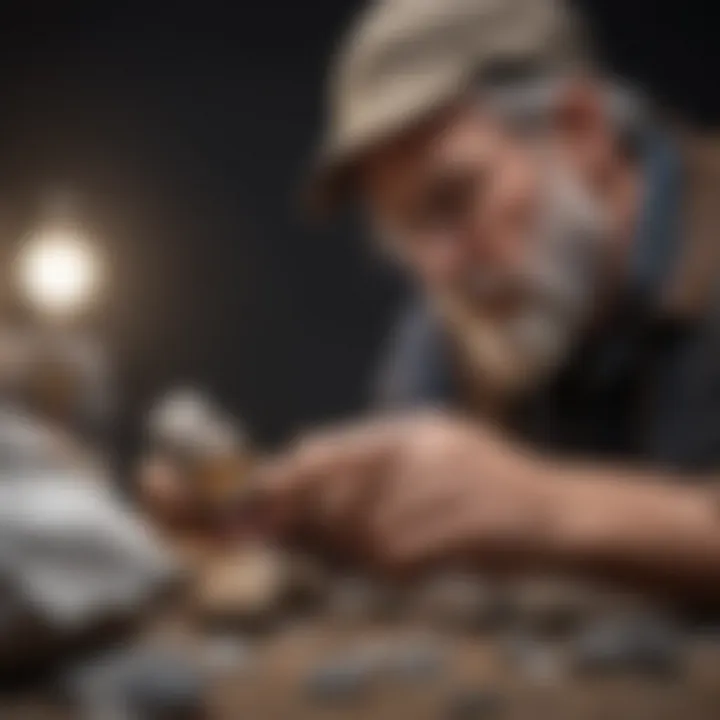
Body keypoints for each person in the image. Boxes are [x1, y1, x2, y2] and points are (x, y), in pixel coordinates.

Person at [252, 0, 720, 601]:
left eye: (454, 199)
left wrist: (548, 508)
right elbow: (406, 519)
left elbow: (526, 509)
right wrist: (280, 512)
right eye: (402, 232)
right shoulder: (465, 314)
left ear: (582, 129)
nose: (437, 270)